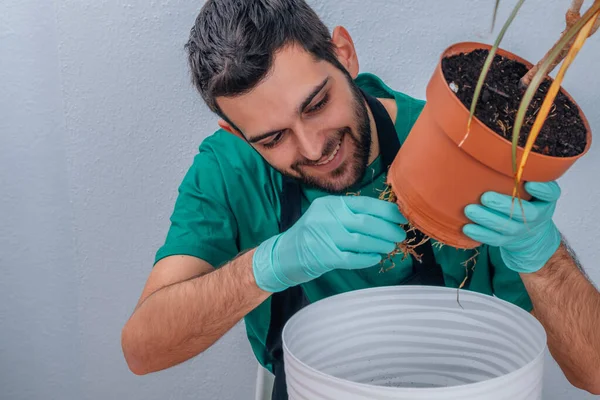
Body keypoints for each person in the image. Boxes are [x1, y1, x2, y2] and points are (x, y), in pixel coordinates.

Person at [121, 0, 600, 397]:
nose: (312, 148)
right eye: (272, 139)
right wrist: (272, 263)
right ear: (236, 133)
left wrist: (542, 256)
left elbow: (593, 372)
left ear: (344, 54)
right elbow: (143, 350)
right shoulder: (228, 170)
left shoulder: (461, 150)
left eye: (316, 105)